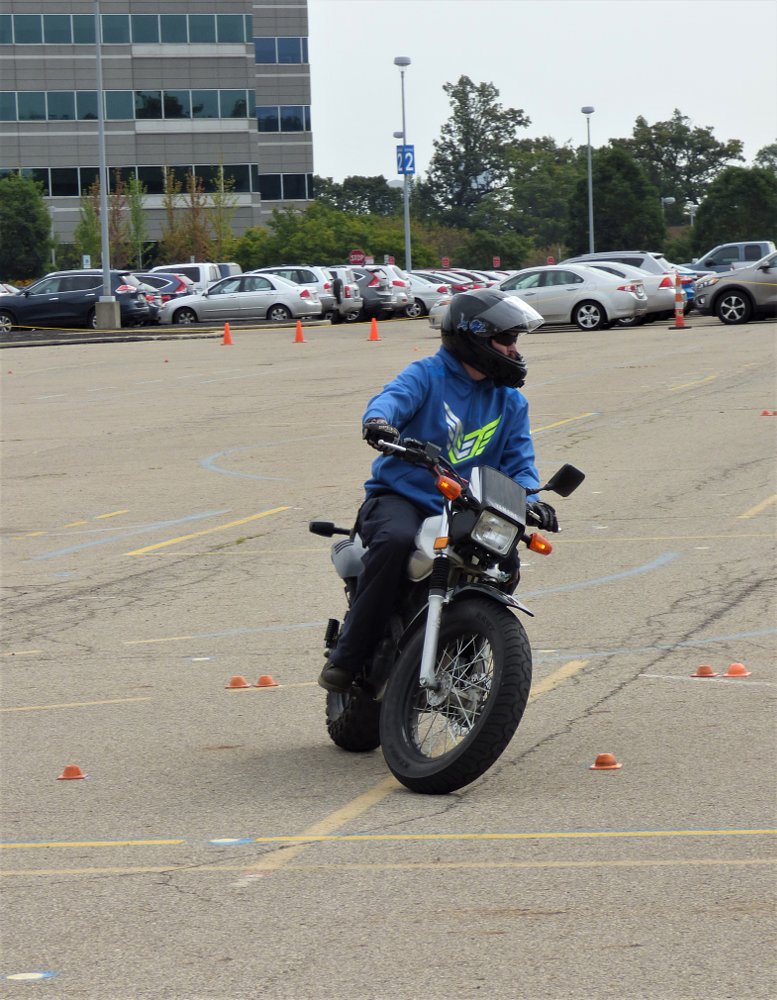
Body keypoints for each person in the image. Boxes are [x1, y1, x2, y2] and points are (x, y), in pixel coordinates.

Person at [318, 288, 559, 694]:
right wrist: (379, 423)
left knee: (505, 563)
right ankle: (350, 654)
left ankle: (464, 652)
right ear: (474, 337)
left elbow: (520, 463)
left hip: (467, 506)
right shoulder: (427, 375)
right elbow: (391, 400)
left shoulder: (510, 402)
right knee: (393, 542)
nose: (515, 350)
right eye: (507, 339)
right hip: (403, 498)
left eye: (517, 341)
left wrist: (532, 501)